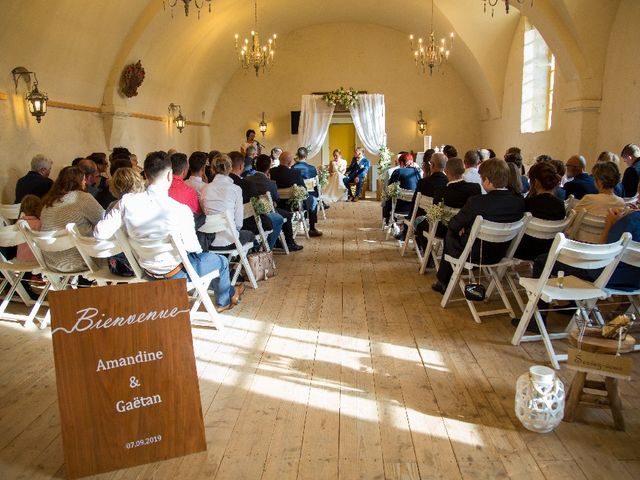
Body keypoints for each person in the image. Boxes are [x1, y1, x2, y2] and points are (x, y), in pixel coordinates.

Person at [94, 151, 244, 313]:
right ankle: (224, 301)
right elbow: (194, 248)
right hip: (175, 274)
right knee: (220, 261)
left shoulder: (126, 203)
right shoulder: (179, 210)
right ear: (169, 176)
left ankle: (231, 293)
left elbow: (99, 234)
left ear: (145, 174)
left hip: (147, 271)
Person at [431, 158, 526, 294]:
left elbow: (454, 224)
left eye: (482, 178)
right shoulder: (519, 201)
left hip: (474, 254)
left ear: (487, 180)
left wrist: (462, 227)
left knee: (451, 232)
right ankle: (443, 279)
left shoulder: (477, 202)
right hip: (502, 252)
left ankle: (443, 281)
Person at [40, 166, 105, 273]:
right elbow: (103, 220)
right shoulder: (82, 198)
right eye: (84, 180)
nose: (85, 183)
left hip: (51, 261)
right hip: (79, 260)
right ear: (79, 181)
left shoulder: (48, 202)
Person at [414, 157, 481, 254]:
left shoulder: (441, 192)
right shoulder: (475, 188)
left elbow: (436, 214)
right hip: (467, 230)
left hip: (445, 230)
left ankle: (428, 257)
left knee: (419, 221)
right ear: (463, 170)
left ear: (446, 170)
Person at [243, 155, 302, 251]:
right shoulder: (270, 183)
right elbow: (276, 200)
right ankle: (288, 243)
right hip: (266, 214)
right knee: (287, 215)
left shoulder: (246, 180)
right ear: (268, 168)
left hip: (248, 213)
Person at [200, 155, 256, 250]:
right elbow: (239, 223)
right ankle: (243, 263)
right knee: (251, 235)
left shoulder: (205, 188)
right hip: (230, 240)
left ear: (213, 169)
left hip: (208, 241)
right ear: (230, 169)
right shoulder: (235, 189)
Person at [514, 161, 566, 260]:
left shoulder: (528, 203)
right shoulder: (560, 204)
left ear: (536, 182)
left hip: (525, 250)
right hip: (549, 250)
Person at [271, 151, 322, 237]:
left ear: (279, 160)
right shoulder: (295, 173)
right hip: (293, 205)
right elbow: (303, 190)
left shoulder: (271, 172)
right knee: (313, 200)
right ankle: (312, 228)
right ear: (290, 162)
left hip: (277, 205)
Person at [573, 161, 624, 243]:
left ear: (599, 182)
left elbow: (571, 219)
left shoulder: (588, 199)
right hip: (605, 247)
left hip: (581, 244)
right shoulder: (621, 203)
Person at [382, 153, 421, 226]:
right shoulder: (416, 172)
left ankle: (386, 219)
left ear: (402, 163)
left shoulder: (398, 171)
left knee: (388, 197)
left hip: (399, 208)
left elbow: (390, 189)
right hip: (413, 208)